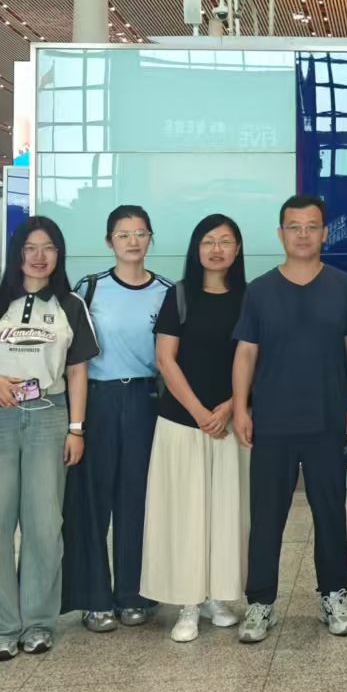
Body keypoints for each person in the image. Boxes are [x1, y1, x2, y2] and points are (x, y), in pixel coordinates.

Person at [0, 216, 97, 660]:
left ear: (59, 255)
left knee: (44, 524)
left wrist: (76, 428)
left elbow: (77, 371)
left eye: (48, 248)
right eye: (30, 247)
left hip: (48, 416)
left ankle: (38, 622)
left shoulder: (70, 304)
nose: (39, 256)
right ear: (17, 252)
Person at [232, 195, 347, 642]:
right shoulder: (260, 289)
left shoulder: (343, 285)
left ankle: (334, 597)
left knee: (330, 512)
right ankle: (260, 604)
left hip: (328, 418)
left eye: (312, 226)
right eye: (294, 227)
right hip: (272, 420)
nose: (303, 234)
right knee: (267, 516)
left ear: (325, 233)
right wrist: (240, 407)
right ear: (281, 234)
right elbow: (246, 353)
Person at [139, 214, 251, 642]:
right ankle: (187, 602)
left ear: (237, 250)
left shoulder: (249, 298)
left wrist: (230, 407)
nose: (216, 249)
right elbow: (165, 359)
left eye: (225, 241)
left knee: (225, 512)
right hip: (182, 423)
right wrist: (201, 412)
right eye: (208, 241)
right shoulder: (180, 295)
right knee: (185, 513)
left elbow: (256, 359)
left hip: (231, 422)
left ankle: (216, 597)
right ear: (196, 248)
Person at [62, 206, 172, 633]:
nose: (132, 241)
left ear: (150, 238)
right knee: (93, 501)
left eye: (140, 233)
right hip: (97, 400)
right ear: (109, 241)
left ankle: (134, 594)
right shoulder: (88, 289)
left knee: (138, 500)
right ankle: (95, 599)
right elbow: (71, 356)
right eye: (123, 234)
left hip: (145, 400)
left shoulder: (167, 292)